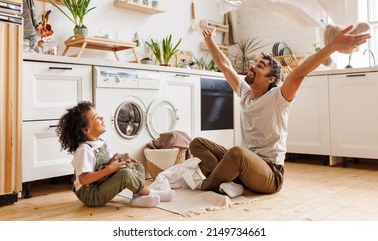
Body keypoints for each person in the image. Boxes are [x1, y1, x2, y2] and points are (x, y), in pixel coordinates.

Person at [190, 26, 371, 198]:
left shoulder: (279, 98)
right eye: (255, 63)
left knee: (237, 153)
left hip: (270, 174)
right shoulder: (246, 93)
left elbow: (299, 73)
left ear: (271, 79)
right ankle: (224, 183)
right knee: (198, 144)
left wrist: (332, 46)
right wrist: (210, 40)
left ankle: (207, 185)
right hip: (246, 167)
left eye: (260, 66)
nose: (253, 66)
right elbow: (225, 65)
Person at [56, 101, 175, 207]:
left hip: (101, 184)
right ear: (86, 130)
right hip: (91, 194)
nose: (102, 117)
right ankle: (149, 192)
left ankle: (138, 198)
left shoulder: (102, 142)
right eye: (97, 118)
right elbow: (83, 179)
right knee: (125, 174)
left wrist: (123, 161)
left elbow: (108, 163)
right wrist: (110, 170)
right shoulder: (84, 150)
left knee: (138, 167)